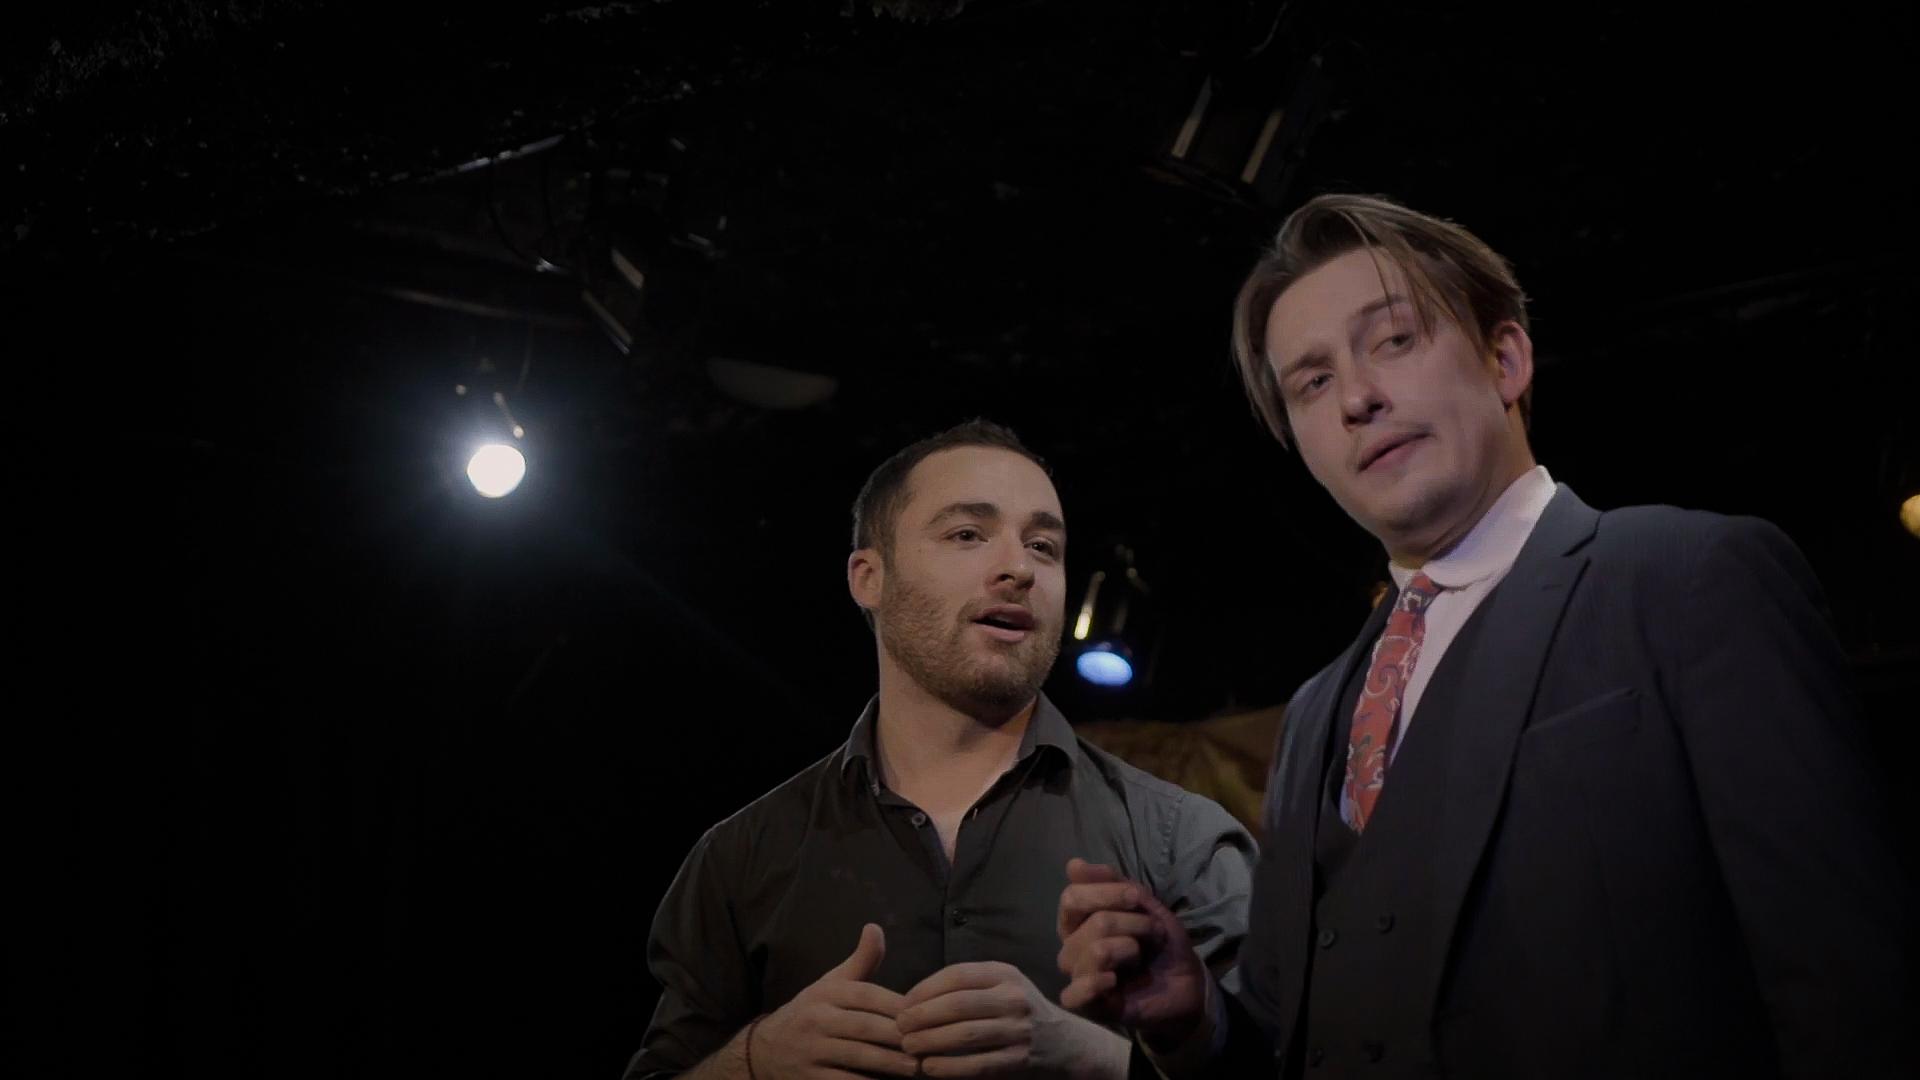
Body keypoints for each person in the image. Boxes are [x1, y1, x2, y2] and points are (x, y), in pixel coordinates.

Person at [1055, 194, 1914, 1078]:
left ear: (1505, 359)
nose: (1356, 398)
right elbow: (1292, 1037)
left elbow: (1848, 986)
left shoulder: (1687, 577)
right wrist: (1196, 1019)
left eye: (1394, 339)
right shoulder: (1313, 715)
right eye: (1311, 383)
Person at [627, 419, 1256, 1079]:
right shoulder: (741, 857)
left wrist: (1098, 1060)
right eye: (967, 535)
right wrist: (754, 1061)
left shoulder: (1181, 843)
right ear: (869, 577)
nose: (1019, 568)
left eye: (1043, 546)